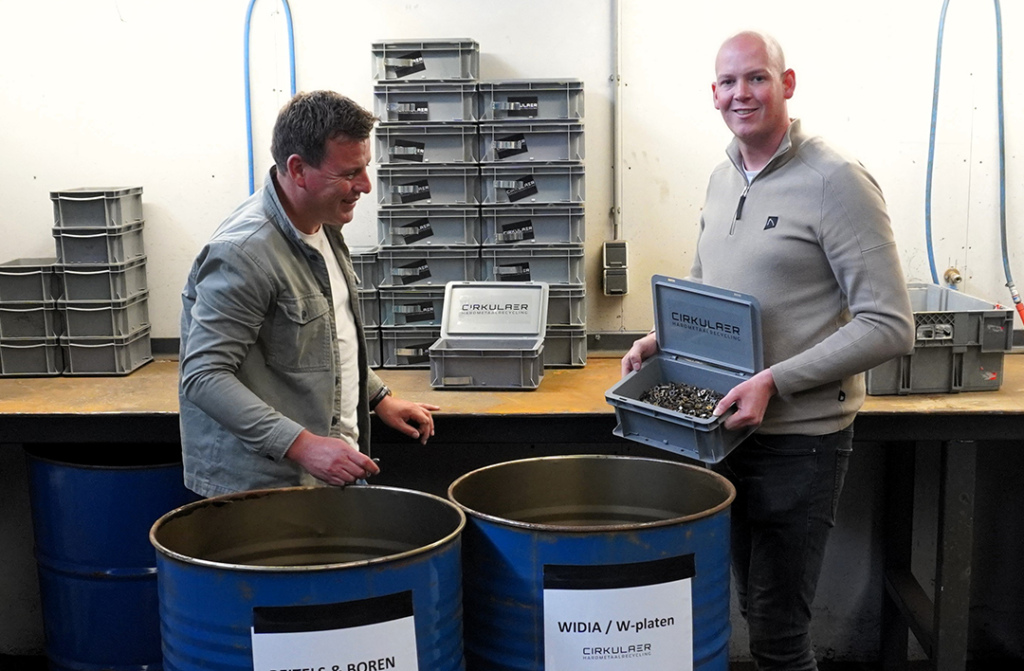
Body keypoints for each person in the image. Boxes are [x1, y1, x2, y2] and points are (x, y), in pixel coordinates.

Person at [621, 31, 915, 670]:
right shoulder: (723, 175)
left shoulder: (836, 180)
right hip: (725, 430)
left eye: (756, 78)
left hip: (799, 442)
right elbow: (707, 291)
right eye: (728, 83)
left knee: (779, 635)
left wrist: (773, 382)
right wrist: (659, 338)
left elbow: (890, 324)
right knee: (747, 612)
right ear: (714, 94)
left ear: (787, 83)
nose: (740, 94)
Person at [179, 90, 438, 498]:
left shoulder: (323, 223)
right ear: (298, 169)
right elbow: (204, 377)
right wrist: (304, 446)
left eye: (365, 168)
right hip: (267, 490)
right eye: (350, 173)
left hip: (326, 474)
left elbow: (323, 338)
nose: (365, 186)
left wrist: (378, 397)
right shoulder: (244, 253)